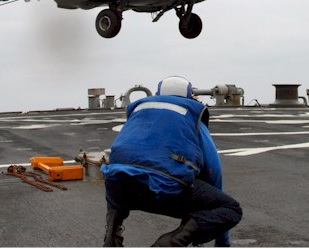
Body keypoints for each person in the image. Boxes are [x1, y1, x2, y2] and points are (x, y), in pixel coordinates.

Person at [101, 76, 242, 246]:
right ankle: (170, 243)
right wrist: (222, 242)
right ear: (189, 96)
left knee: (116, 175)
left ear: (158, 94)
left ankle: (111, 237)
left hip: (121, 191)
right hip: (166, 191)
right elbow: (213, 171)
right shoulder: (190, 114)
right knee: (231, 209)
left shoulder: (140, 111)